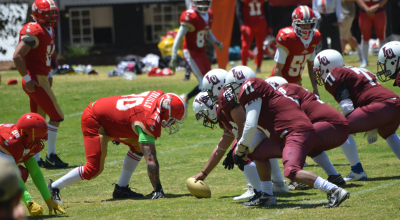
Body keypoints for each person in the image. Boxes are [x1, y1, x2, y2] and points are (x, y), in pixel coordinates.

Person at [224, 66, 350, 207]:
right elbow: (258, 132)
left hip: (295, 132)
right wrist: (244, 150)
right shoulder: (258, 97)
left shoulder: (250, 87)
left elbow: (250, 125)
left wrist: (240, 148)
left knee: (292, 171)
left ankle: (334, 190)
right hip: (289, 133)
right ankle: (267, 195)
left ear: (239, 83)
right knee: (259, 152)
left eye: (231, 87)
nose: (229, 92)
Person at [47, 91, 186, 202]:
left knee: (138, 147)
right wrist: (158, 190)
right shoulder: (147, 121)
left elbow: (130, 113)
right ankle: (54, 187)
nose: (173, 124)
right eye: (172, 120)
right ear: (162, 112)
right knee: (93, 169)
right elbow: (151, 160)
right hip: (95, 119)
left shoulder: (159, 96)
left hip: (109, 114)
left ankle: (121, 189)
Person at [314, 49, 400, 181]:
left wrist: (350, 124)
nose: (319, 74)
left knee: (340, 127)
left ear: (326, 66)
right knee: (388, 133)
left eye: (319, 70)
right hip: (394, 102)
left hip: (379, 106)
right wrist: (371, 124)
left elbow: (347, 106)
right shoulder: (357, 69)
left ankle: (357, 171)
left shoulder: (335, 73)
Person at [192, 91, 289, 201]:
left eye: (204, 115)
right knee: (248, 150)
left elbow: (244, 125)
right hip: (267, 134)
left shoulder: (226, 108)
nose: (206, 119)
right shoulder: (222, 116)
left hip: (271, 132)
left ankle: (259, 191)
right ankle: (278, 185)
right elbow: (220, 148)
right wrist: (204, 173)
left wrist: (237, 148)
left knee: (240, 152)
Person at [12, 0, 67, 168]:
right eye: (49, 13)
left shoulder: (48, 29)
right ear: (38, 14)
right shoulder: (34, 30)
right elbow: (17, 56)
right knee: (57, 116)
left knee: (37, 121)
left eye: (53, 12)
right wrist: (28, 80)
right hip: (34, 80)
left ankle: (33, 158)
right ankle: (51, 155)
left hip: (41, 77)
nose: (53, 16)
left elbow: (45, 54)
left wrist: (49, 72)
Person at [266, 76, 348, 186]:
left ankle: (297, 179)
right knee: (311, 147)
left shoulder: (286, 90)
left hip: (331, 125)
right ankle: (334, 176)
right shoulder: (294, 89)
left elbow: (293, 117)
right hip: (335, 126)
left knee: (295, 140)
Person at [0, 113, 65, 217]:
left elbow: (35, 172)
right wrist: (30, 203)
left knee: (23, 173)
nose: (38, 143)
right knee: (12, 176)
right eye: (37, 139)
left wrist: (48, 199)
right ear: (26, 135)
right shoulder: (10, 143)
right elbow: (13, 176)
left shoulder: (25, 140)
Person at [169, 0, 223, 108]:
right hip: (190, 51)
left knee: (211, 80)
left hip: (201, 52)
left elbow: (208, 34)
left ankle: (186, 98)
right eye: (200, 2)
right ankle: (204, 106)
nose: (203, 5)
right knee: (204, 82)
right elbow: (179, 37)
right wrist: (174, 55)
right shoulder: (190, 16)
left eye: (205, 2)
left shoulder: (209, 14)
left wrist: (216, 42)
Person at [270, 6, 321, 96]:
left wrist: (315, 88)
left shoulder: (314, 38)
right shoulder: (288, 39)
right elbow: (278, 69)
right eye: (303, 24)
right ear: (295, 23)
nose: (306, 27)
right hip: (278, 83)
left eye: (309, 24)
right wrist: (284, 90)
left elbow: (311, 66)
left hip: (297, 82)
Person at [236, 0, 270, 73]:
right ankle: (244, 67)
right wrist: (241, 24)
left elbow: (267, 9)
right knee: (245, 47)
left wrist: (270, 25)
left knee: (260, 47)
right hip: (248, 23)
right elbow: (238, 10)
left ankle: (258, 67)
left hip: (260, 22)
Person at [355, 0, 388, 67]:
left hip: (379, 10)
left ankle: (383, 60)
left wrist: (377, 5)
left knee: (381, 35)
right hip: (364, 11)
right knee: (365, 36)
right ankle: (364, 60)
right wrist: (366, 8)